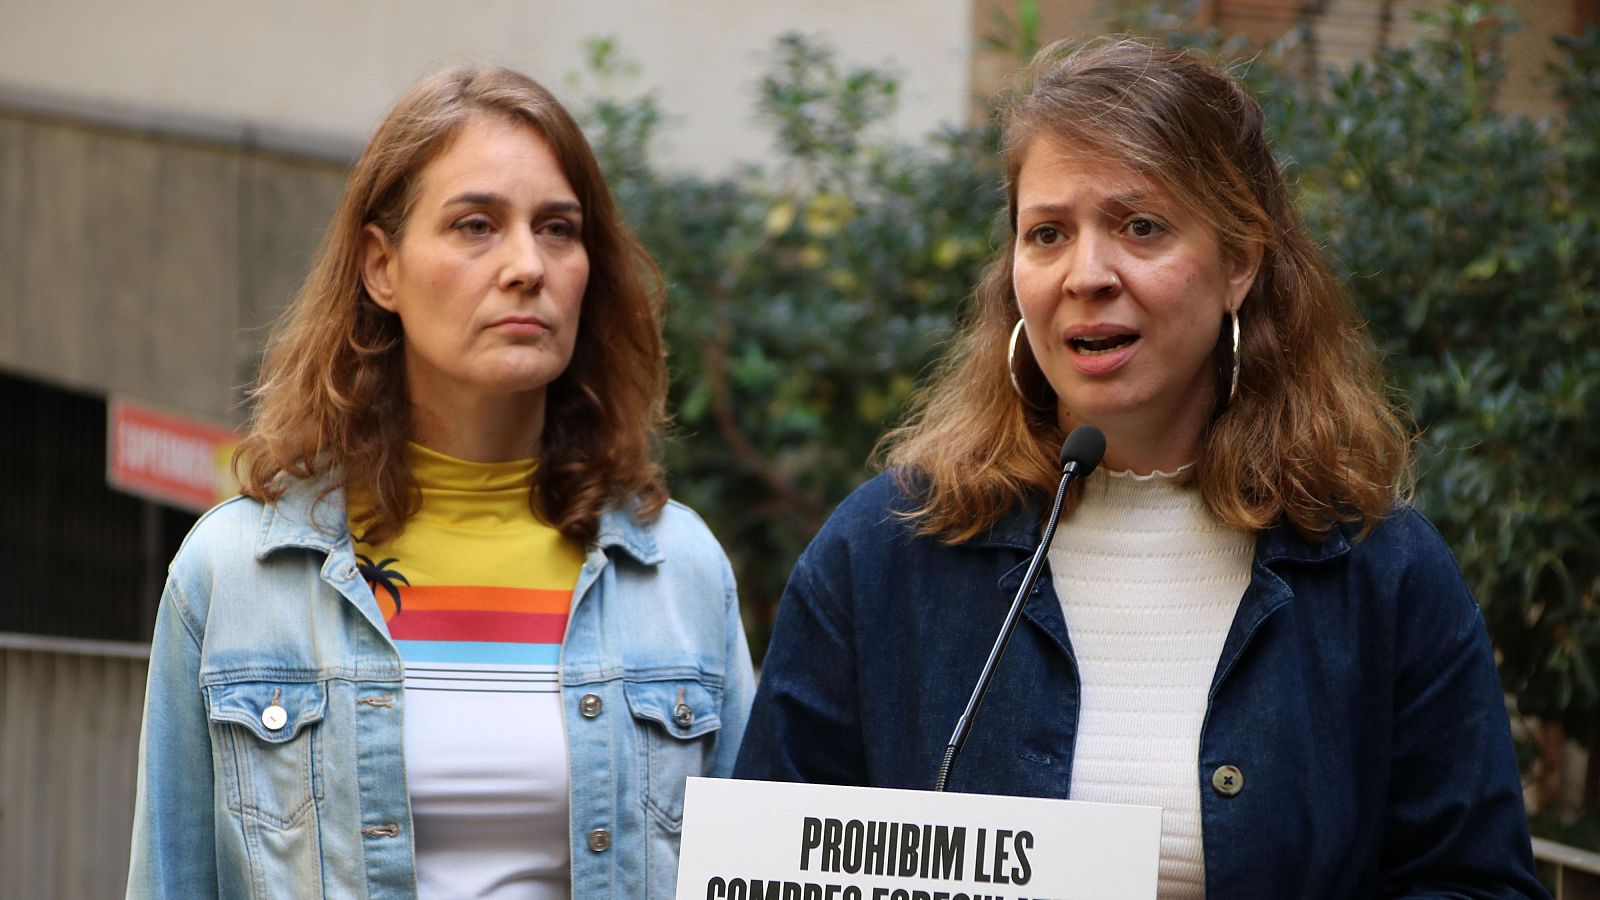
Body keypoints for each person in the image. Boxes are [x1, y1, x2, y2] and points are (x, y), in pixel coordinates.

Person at [733, 39, 1546, 899]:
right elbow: (764, 864)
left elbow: (1476, 884)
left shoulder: (1381, 570)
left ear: (1239, 263)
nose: (1087, 275)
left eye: (1141, 227)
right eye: (1047, 234)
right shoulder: (881, 552)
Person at [127, 66, 754, 899]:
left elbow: (748, 870)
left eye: (559, 229)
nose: (528, 264)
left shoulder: (677, 572)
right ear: (381, 267)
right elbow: (171, 883)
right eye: (476, 225)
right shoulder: (237, 574)